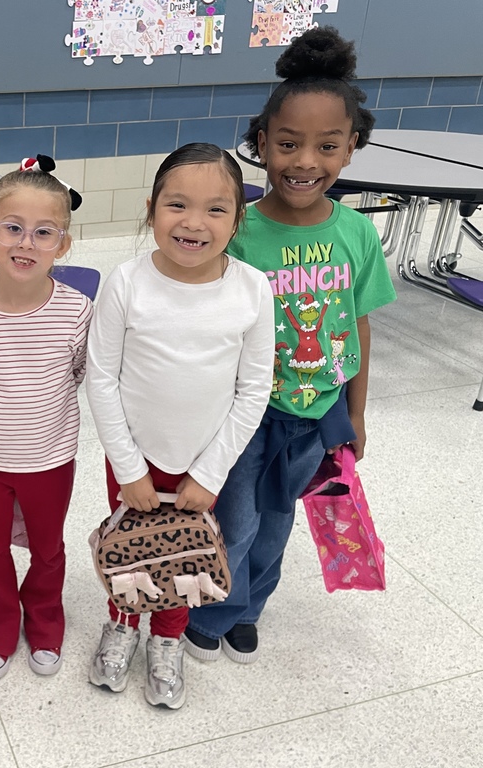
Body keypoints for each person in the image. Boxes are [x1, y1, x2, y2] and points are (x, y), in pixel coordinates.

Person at [182, 27, 397, 667]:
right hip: (247, 415)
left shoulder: (357, 233)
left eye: (327, 145)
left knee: (277, 524)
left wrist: (355, 412)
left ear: (351, 148)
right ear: (261, 146)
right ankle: (212, 610)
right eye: (288, 144)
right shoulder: (238, 231)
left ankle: (249, 611)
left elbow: (359, 325)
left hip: (318, 414)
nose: (306, 161)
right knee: (235, 522)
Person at [86, 143, 275, 709]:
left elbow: (254, 389)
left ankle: (166, 640)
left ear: (238, 219)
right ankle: (122, 625)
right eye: (177, 205)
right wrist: (128, 469)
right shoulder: (125, 282)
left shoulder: (251, 289)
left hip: (203, 466)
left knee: (182, 559)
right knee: (133, 550)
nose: (194, 223)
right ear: (151, 210)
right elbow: (101, 379)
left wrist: (211, 474)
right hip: (133, 460)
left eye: (216, 209)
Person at [0, 155, 93, 681]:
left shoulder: (78, 310)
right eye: (12, 229)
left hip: (51, 458)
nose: (25, 243)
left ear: (64, 244)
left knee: (48, 549)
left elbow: (76, 372)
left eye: (43, 232)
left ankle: (46, 623)